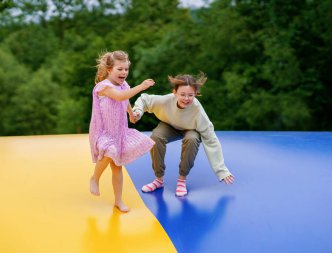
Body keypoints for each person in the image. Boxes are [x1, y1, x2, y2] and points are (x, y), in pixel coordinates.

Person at [132, 72, 234, 197]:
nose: (186, 98)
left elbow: (211, 139)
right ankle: (158, 180)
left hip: (190, 129)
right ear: (175, 93)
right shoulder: (166, 100)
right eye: (183, 94)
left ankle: (182, 180)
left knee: (192, 139)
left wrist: (221, 170)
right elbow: (144, 99)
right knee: (156, 137)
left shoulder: (197, 111)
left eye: (190, 95)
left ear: (195, 94)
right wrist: (138, 111)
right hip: (169, 125)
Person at [89, 50, 155, 212]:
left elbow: (125, 100)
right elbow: (119, 96)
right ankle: (95, 178)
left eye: (126, 69)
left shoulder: (123, 85)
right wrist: (141, 87)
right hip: (104, 132)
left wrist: (131, 114)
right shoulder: (103, 86)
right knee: (108, 151)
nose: (124, 72)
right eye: (120, 69)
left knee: (117, 167)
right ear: (109, 70)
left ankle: (118, 200)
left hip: (119, 132)